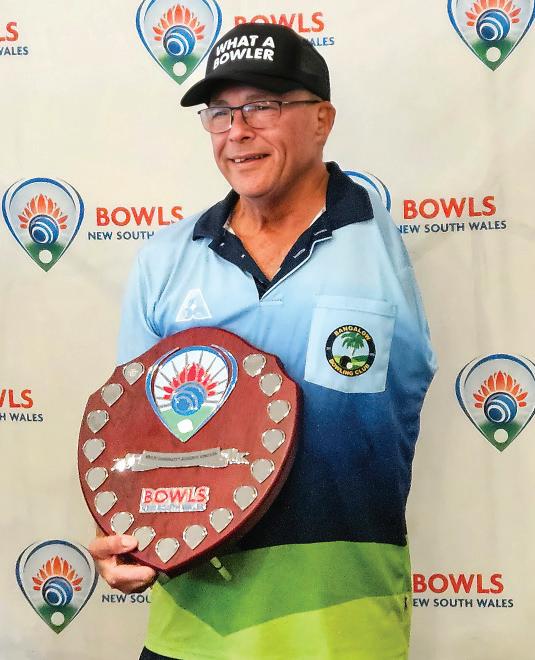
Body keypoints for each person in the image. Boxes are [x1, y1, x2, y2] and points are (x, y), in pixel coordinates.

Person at [89, 22, 436, 660]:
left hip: (342, 628)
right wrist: (125, 534)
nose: (237, 131)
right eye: (219, 113)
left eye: (262, 106)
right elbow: (135, 438)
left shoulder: (377, 247)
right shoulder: (166, 259)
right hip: (195, 628)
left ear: (322, 119)